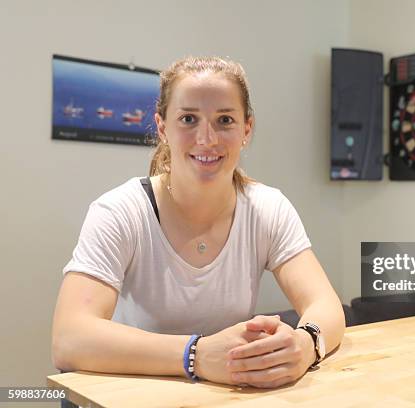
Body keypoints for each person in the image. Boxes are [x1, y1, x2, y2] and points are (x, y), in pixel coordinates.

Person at [52, 56, 345, 389]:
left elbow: (325, 304)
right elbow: (69, 337)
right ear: (162, 127)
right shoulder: (120, 210)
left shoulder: (268, 208)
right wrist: (197, 355)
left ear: (246, 129)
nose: (207, 138)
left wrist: (307, 344)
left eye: (224, 120)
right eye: (188, 119)